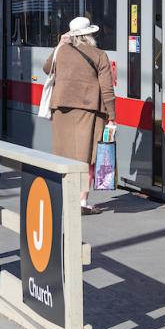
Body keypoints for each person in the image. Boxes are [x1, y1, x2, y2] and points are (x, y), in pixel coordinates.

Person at [43, 16, 116, 215]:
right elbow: (107, 89)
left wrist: (59, 44)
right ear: (90, 35)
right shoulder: (99, 55)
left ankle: (66, 197)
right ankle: (81, 202)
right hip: (89, 111)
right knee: (87, 157)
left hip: (61, 110)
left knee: (64, 154)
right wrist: (112, 115)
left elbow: (46, 69)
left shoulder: (61, 52)